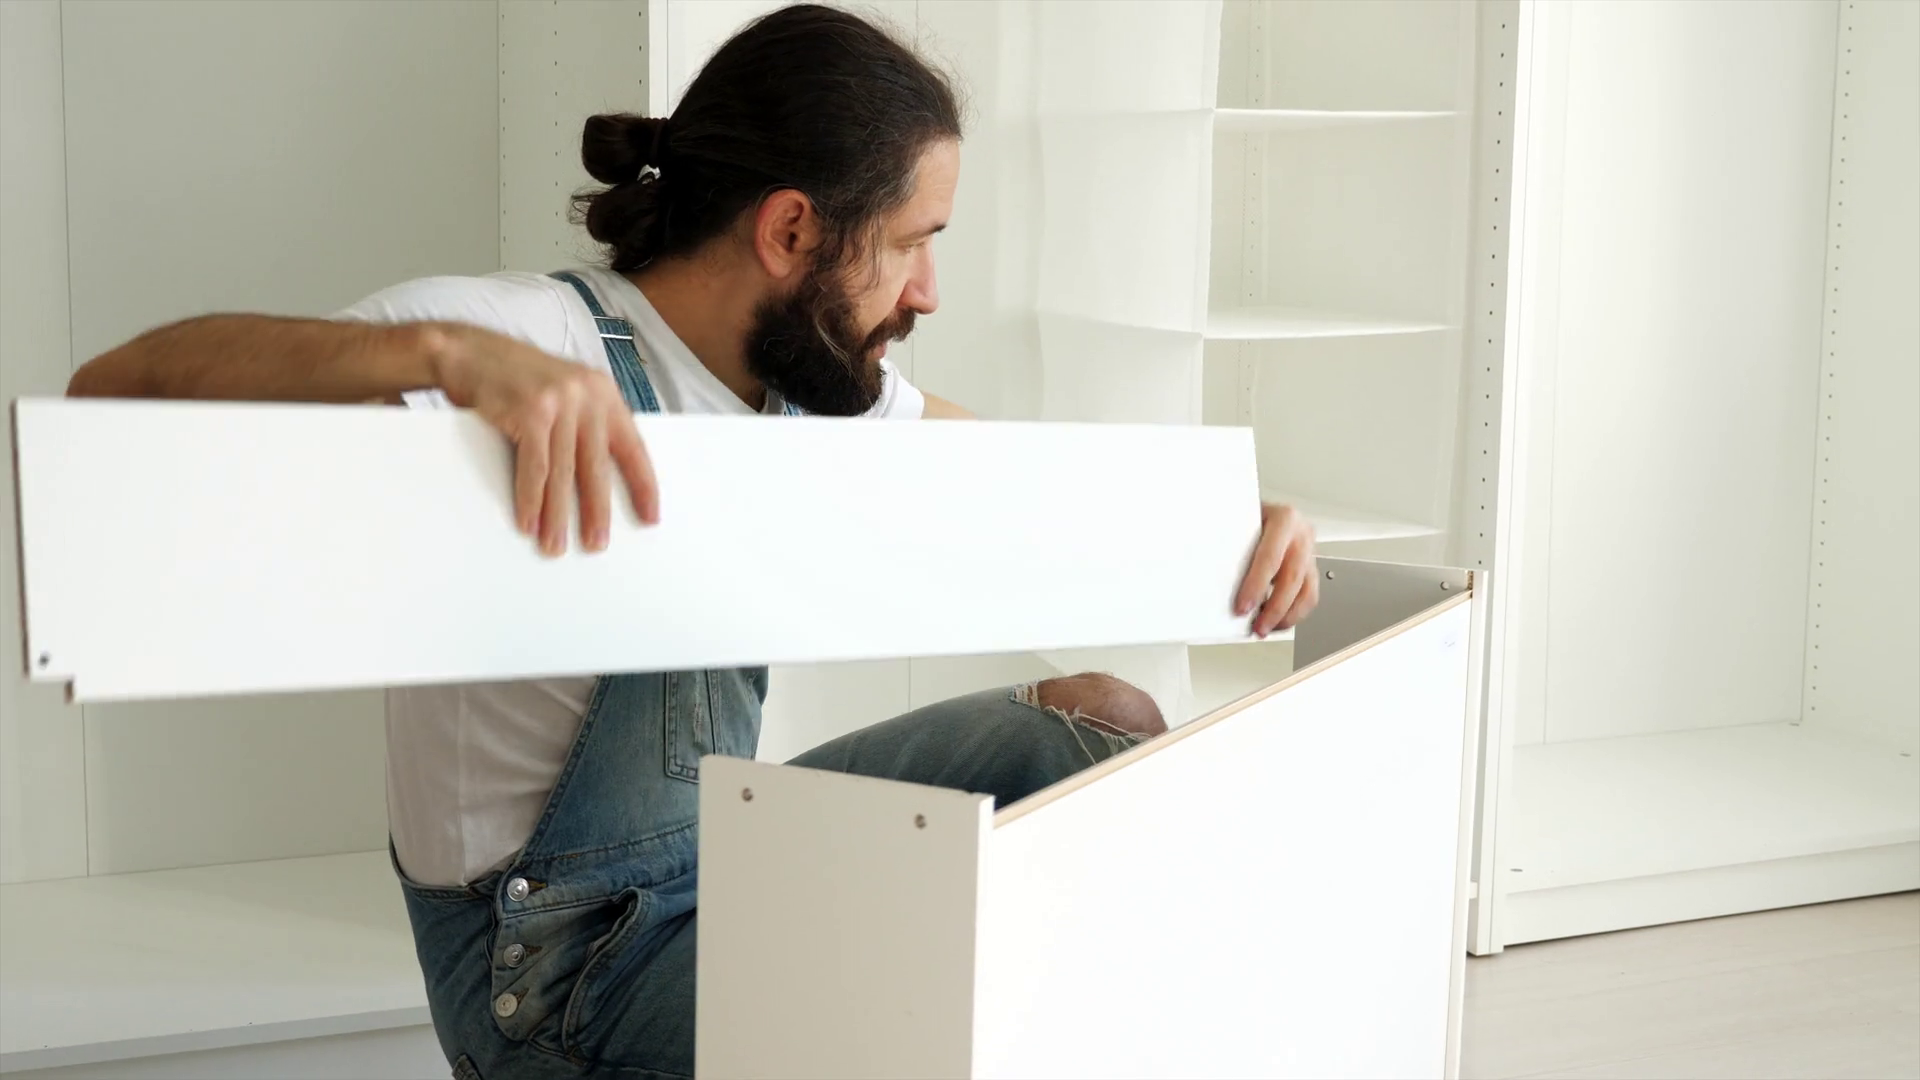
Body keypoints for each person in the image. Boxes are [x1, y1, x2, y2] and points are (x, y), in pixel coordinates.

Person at [67, 5, 1319, 1077]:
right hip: (547, 971)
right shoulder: (518, 343)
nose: (928, 294)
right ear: (790, 234)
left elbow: (1015, 476)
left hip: (715, 859)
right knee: (907, 1029)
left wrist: (1234, 528)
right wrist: (438, 359)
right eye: (915, 244)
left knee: (1096, 725)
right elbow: (114, 393)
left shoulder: (814, 378)